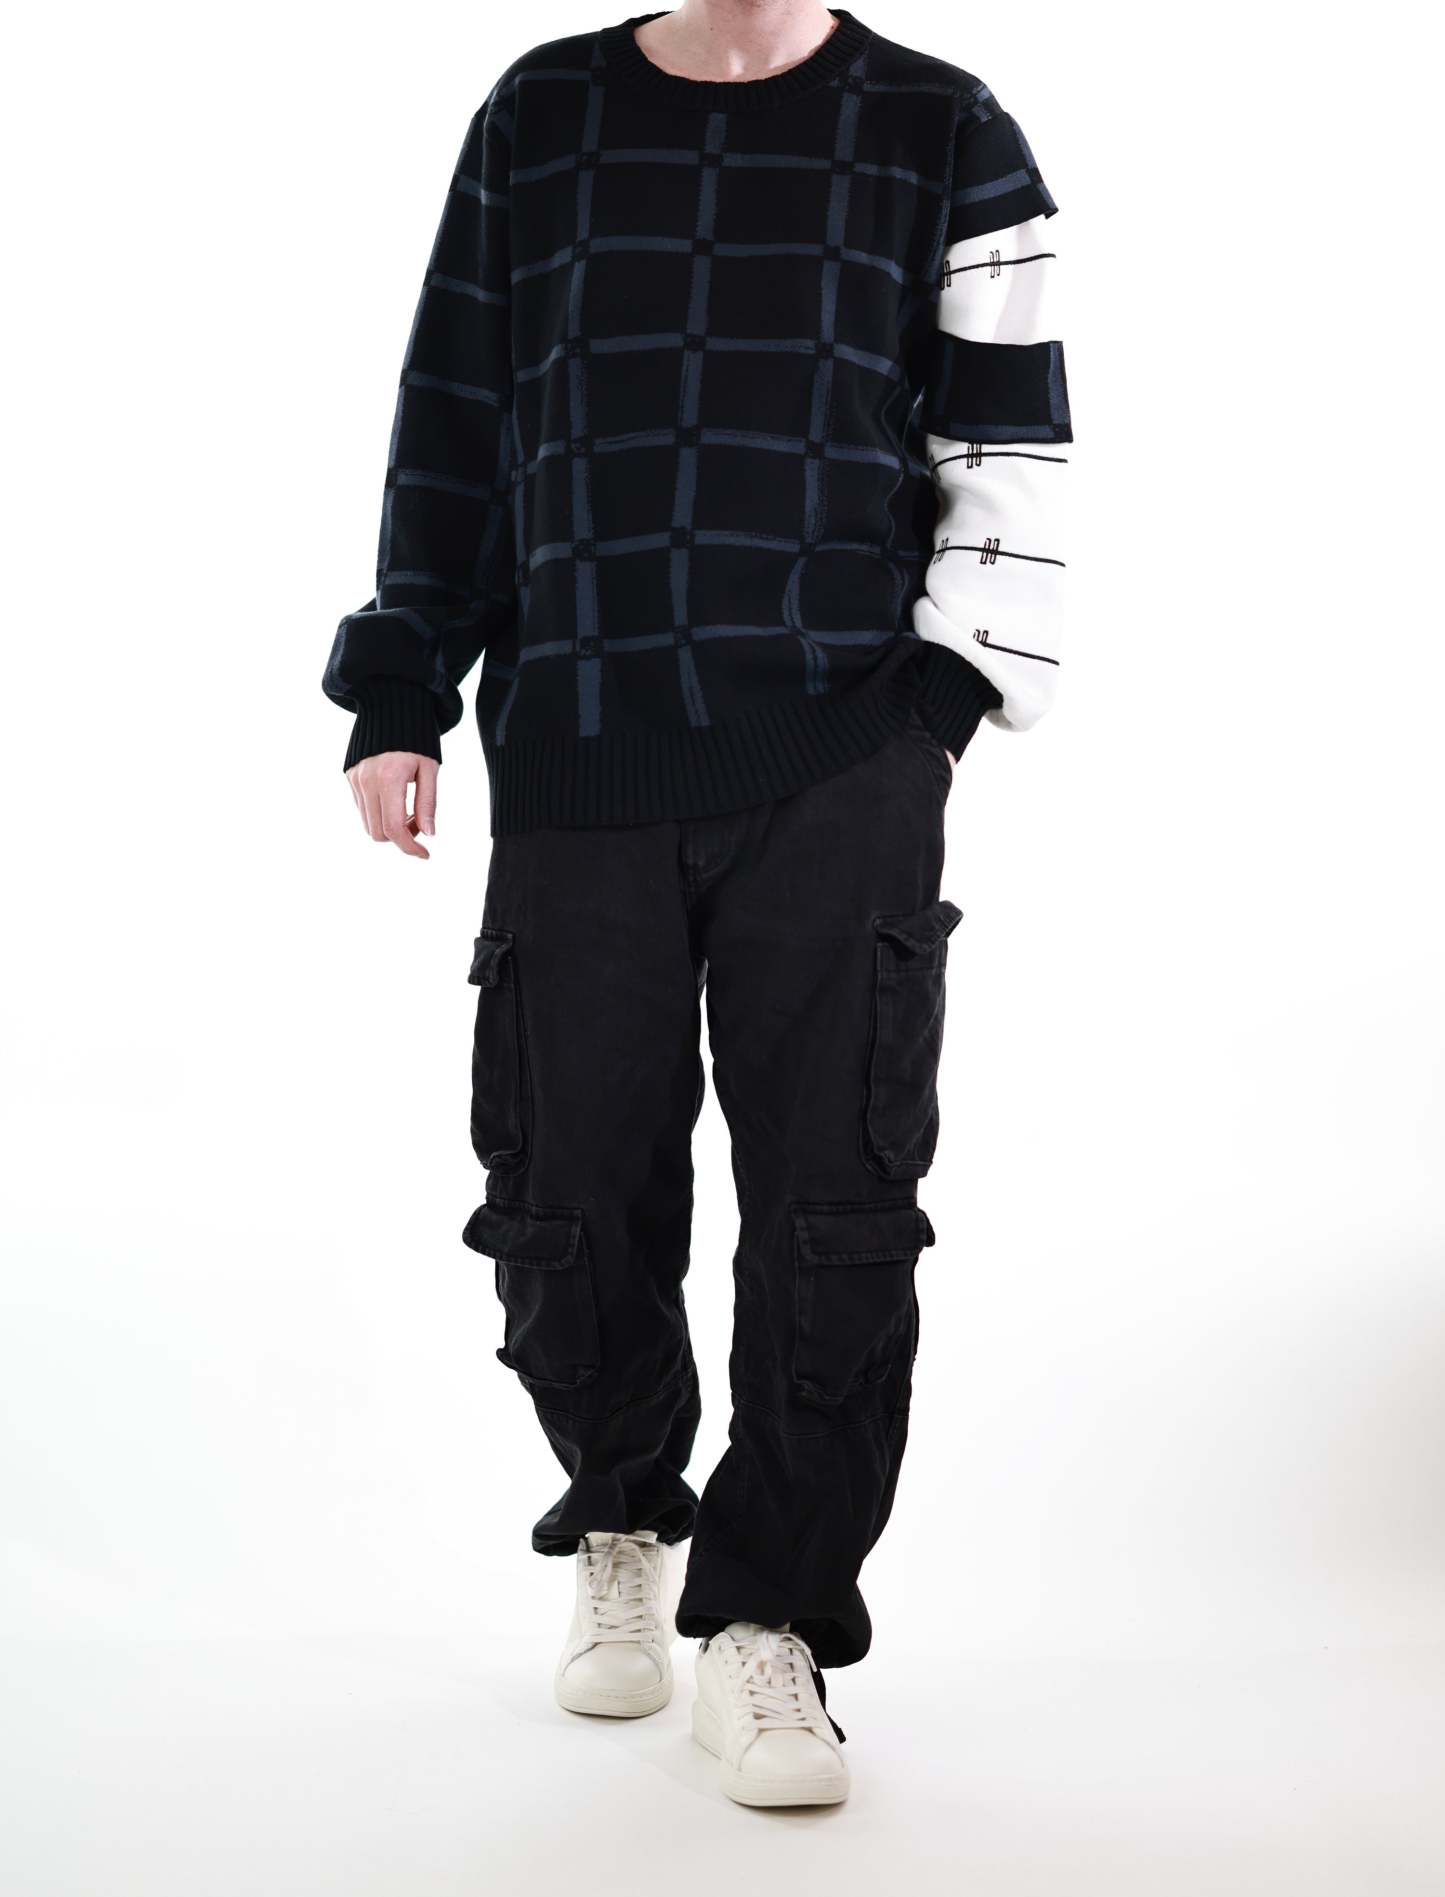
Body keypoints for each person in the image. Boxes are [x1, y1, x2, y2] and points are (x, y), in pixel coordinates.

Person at [323, 1, 1068, 1808]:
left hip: (840, 758)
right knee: (564, 1193)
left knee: (837, 1206)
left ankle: (770, 1621)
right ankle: (623, 1515)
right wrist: (404, 683)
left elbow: (1007, 445)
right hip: (578, 751)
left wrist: (938, 707)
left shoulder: (943, 126)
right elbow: (457, 412)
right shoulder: (541, 113)